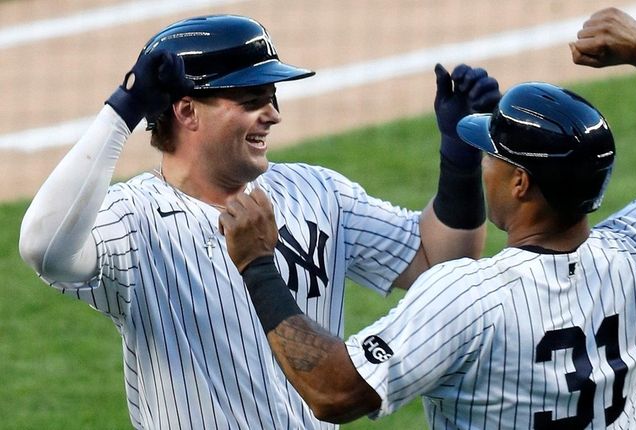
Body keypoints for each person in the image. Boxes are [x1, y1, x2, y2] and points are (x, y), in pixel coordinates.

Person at [220, 7, 636, 429]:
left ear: (521, 183)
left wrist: (257, 264)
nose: (484, 163)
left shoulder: (468, 299)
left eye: (490, 152)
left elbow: (335, 392)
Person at [17, 14, 502, 430]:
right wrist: (123, 109)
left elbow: (441, 258)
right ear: (187, 111)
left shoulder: (316, 191)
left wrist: (458, 163)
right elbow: (44, 247)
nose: (273, 115)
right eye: (252, 100)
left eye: (273, 97)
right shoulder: (134, 219)